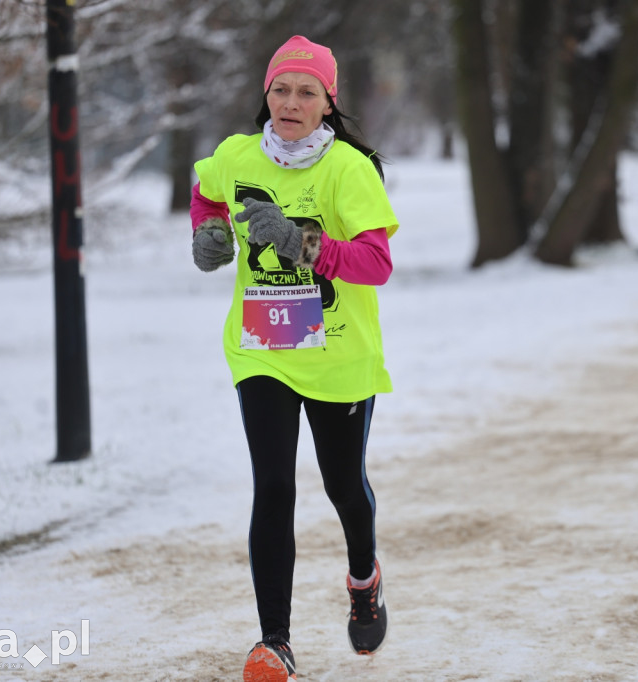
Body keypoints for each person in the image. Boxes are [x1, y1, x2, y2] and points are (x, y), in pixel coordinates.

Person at [188, 35, 397, 681]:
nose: (291, 102)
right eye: (281, 88)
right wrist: (209, 232)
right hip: (263, 351)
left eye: (307, 92)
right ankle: (272, 643)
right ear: (266, 94)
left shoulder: (348, 171)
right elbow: (208, 192)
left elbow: (376, 263)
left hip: (337, 355)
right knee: (274, 485)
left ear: (328, 104)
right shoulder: (238, 156)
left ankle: (363, 575)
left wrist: (303, 244)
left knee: (342, 488)